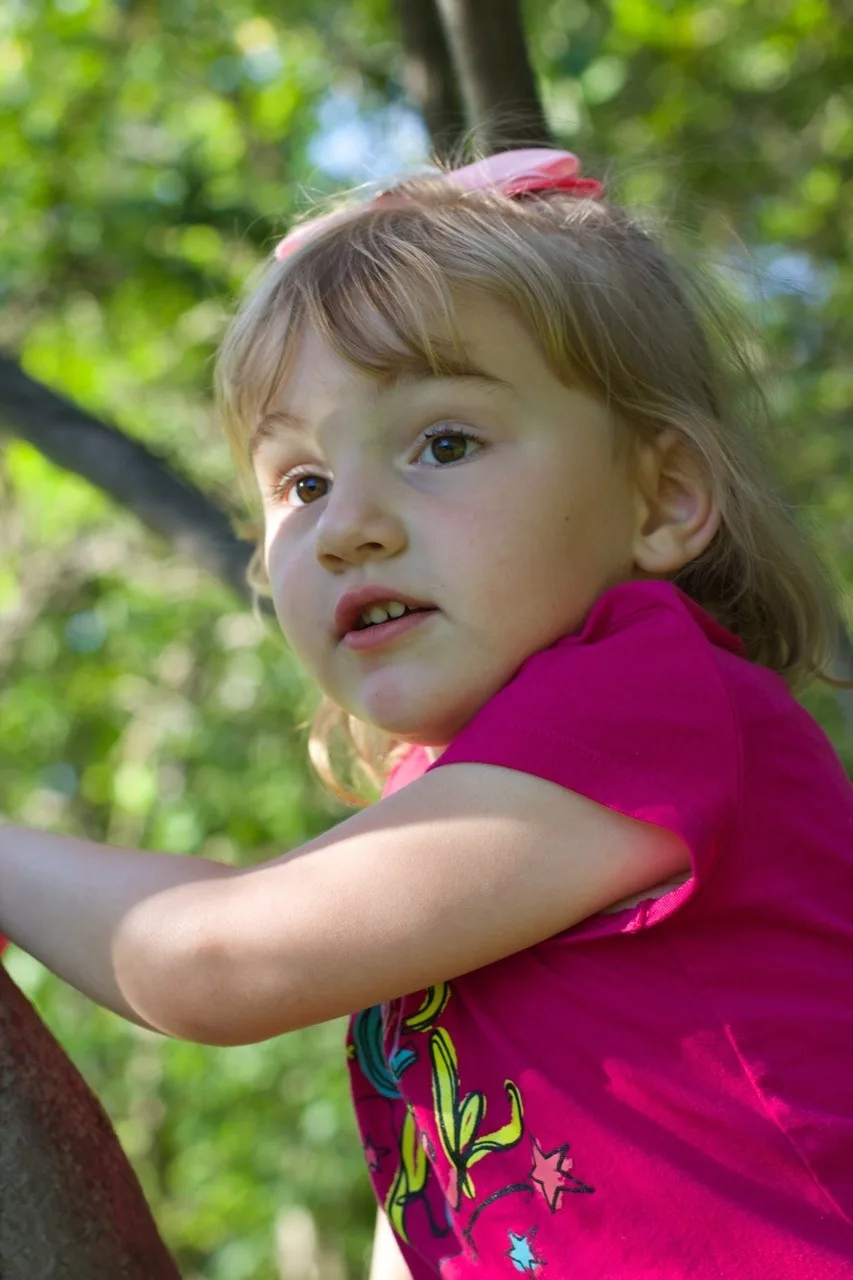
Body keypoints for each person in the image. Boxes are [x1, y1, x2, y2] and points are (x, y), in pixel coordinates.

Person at [1, 148, 852, 1279]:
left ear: (662, 499)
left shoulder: (647, 705)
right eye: (301, 482)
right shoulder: (470, 797)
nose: (346, 526)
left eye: (442, 443)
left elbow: (211, 958)